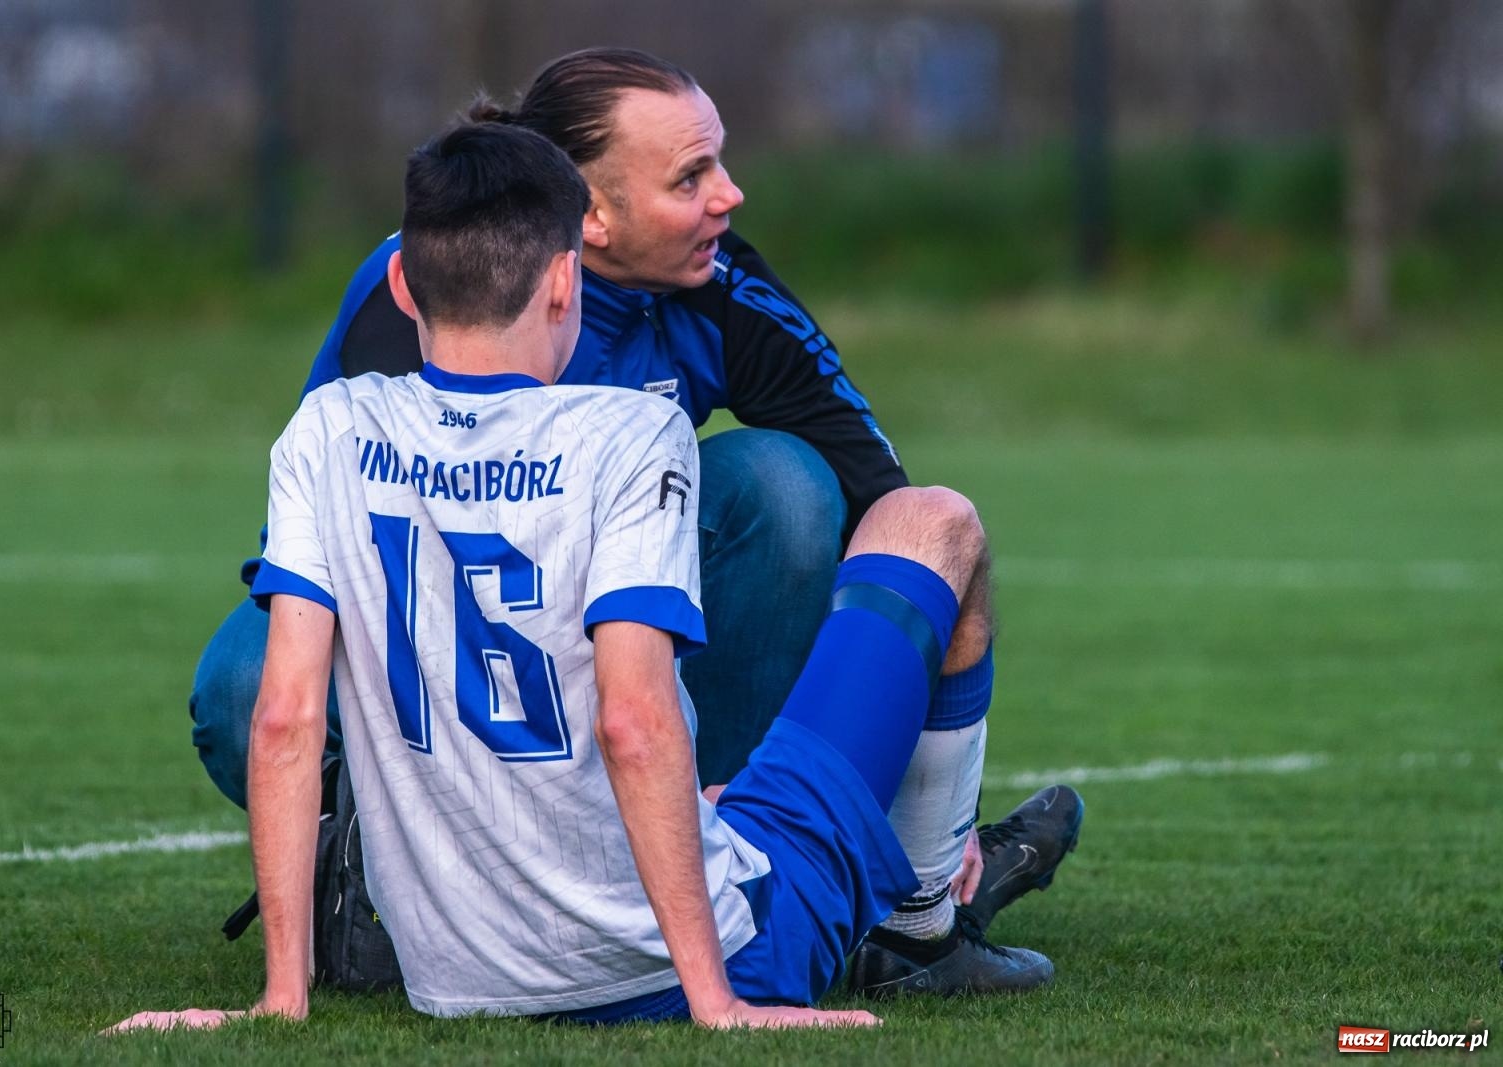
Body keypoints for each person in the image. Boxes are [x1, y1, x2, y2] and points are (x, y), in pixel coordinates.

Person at [115, 122, 1052, 1036]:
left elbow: (283, 719)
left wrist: (281, 999)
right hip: (686, 952)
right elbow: (632, 721)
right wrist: (715, 999)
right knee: (934, 523)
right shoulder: (632, 432)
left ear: (402, 284)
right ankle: (923, 920)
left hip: (449, 974)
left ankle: (345, 915)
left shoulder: (325, 430)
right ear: (566, 279)